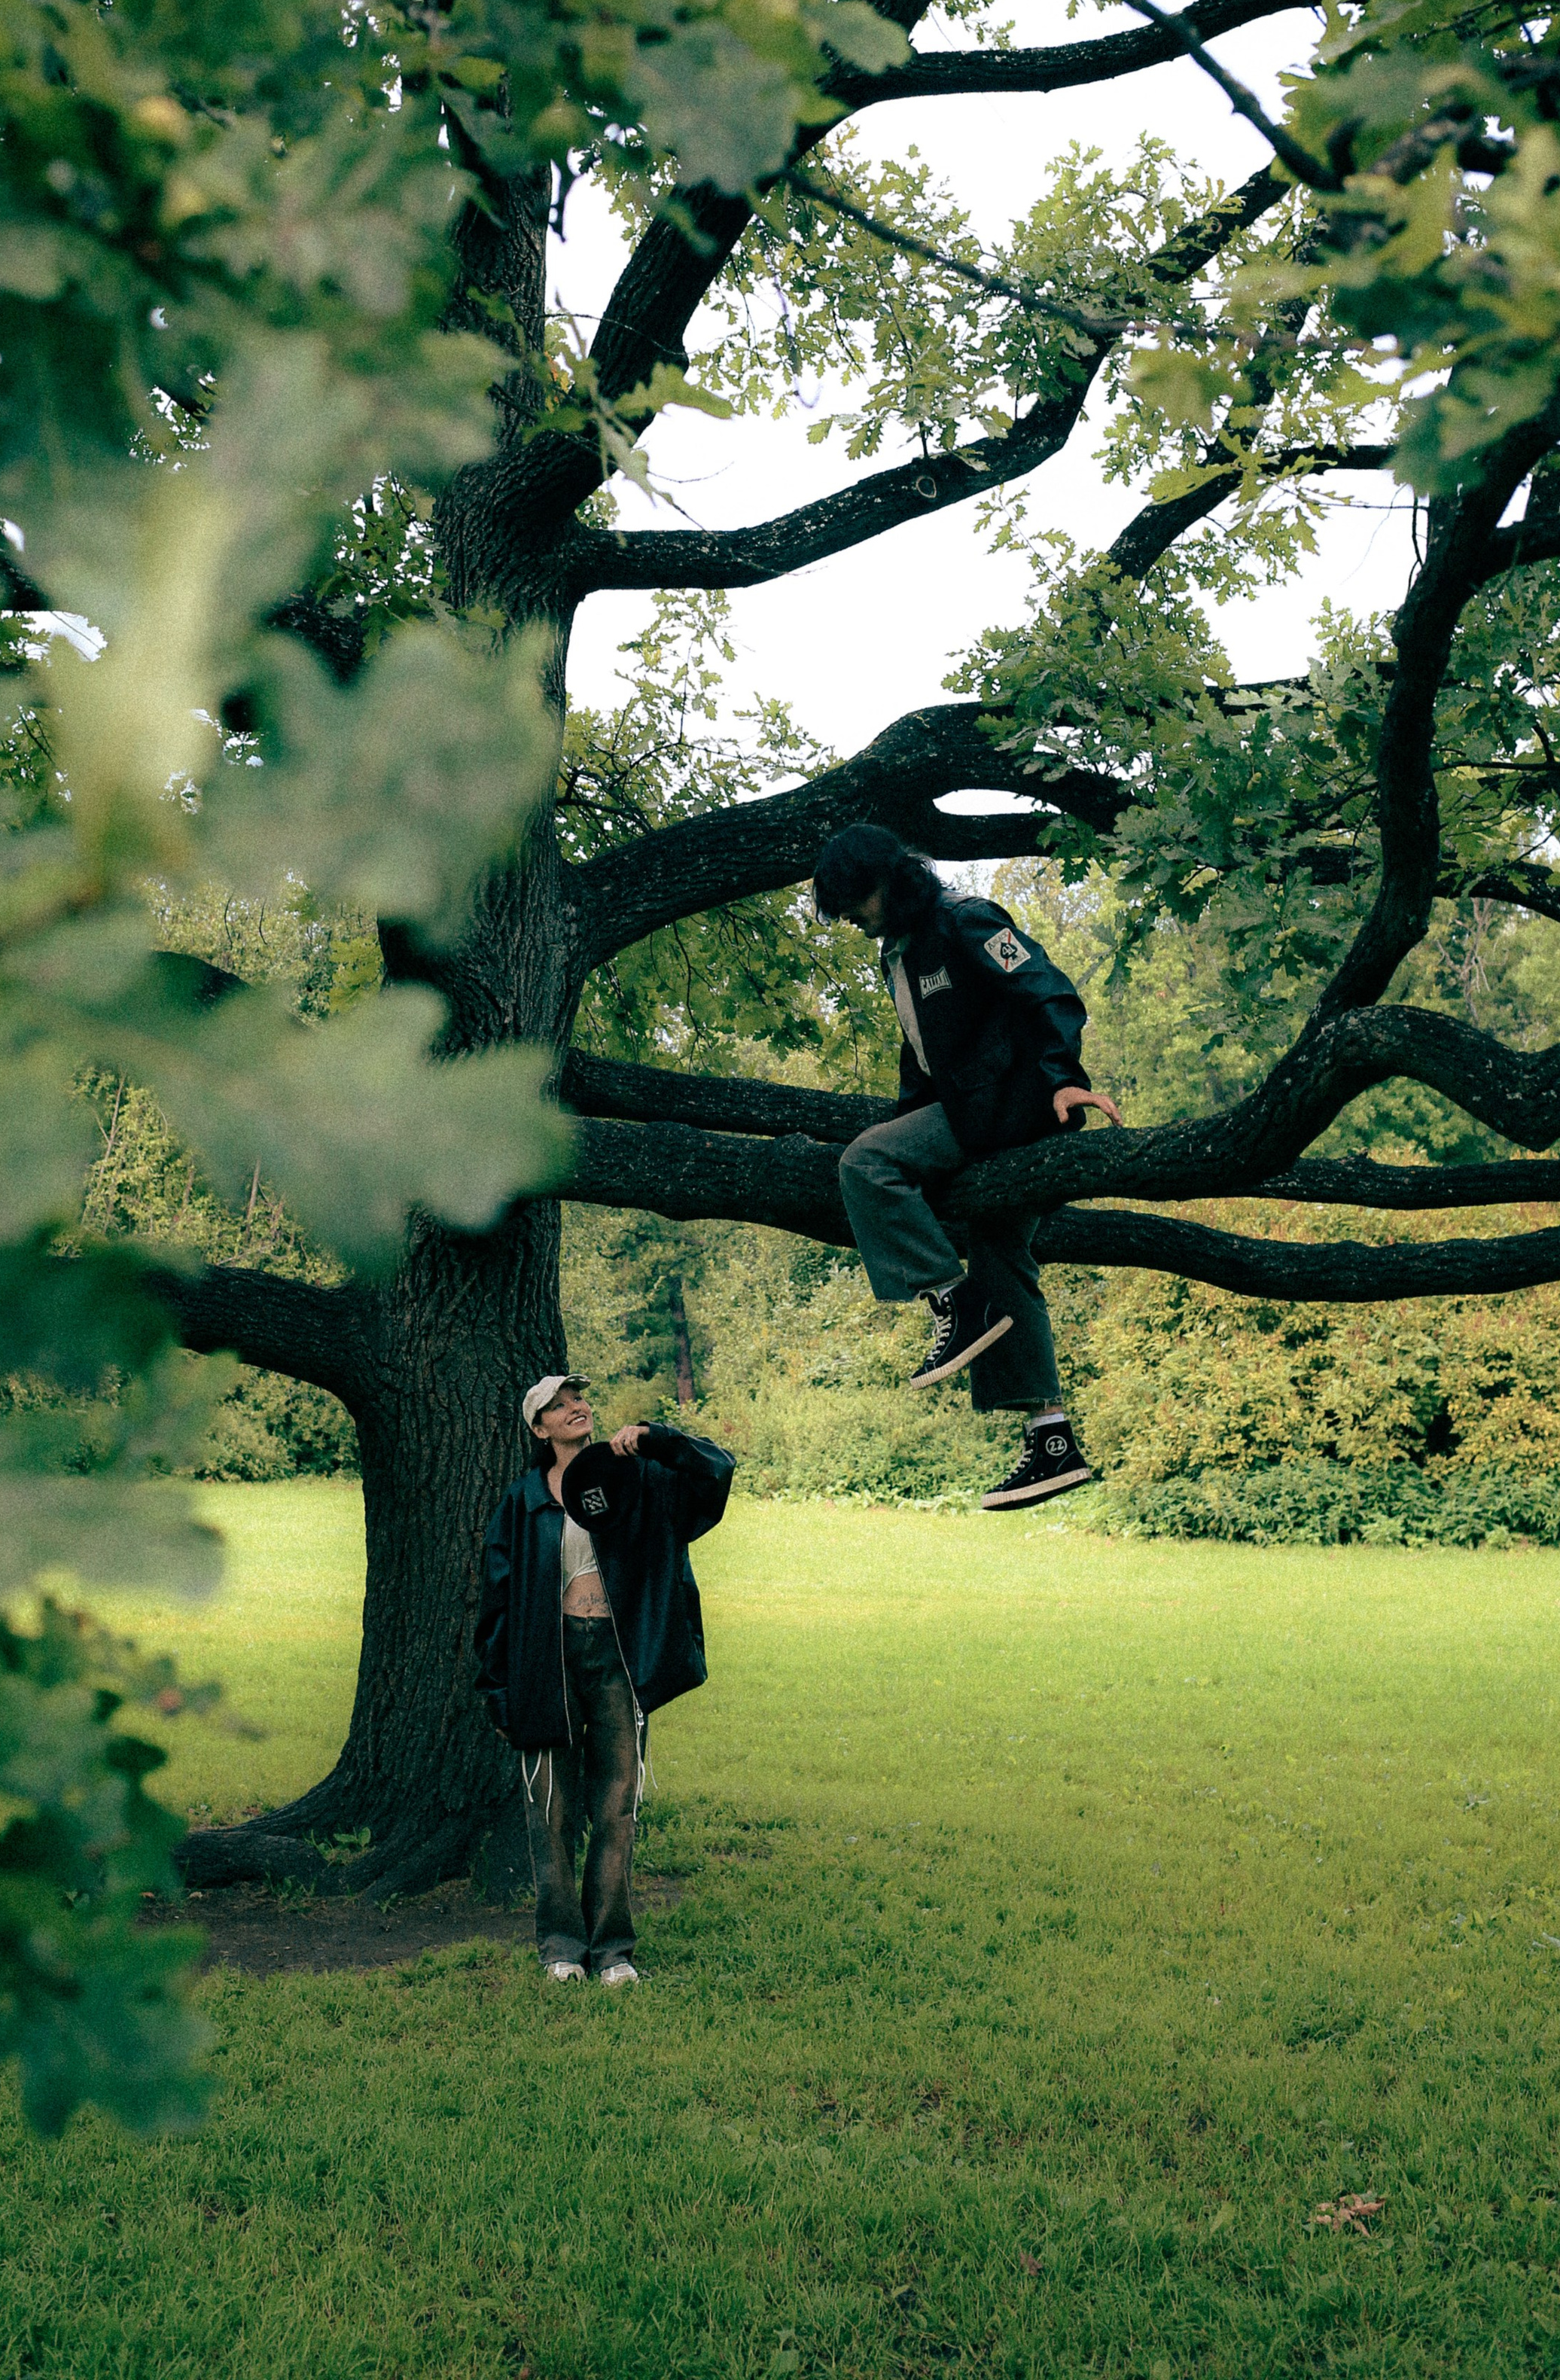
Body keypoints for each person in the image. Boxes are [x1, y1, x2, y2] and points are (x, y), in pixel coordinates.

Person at [812, 822, 1123, 1510]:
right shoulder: (899, 950)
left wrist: (1061, 1080)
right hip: (979, 1121)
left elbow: (1050, 992)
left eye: (857, 905)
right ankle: (1052, 1440)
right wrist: (910, 1117)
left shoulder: (968, 919)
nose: (855, 923)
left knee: (867, 1163)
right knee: (1002, 1256)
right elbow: (926, 1051)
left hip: (1015, 1110)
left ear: (889, 880)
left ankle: (954, 1301)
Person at [474, 1375, 735, 1984]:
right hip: (546, 1662)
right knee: (552, 1808)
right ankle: (562, 1948)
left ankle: (613, 1949)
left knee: (617, 1805)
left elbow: (716, 1474)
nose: (575, 1408)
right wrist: (499, 1689)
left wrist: (658, 1441)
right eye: (557, 1406)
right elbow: (497, 1601)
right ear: (538, 1429)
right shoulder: (523, 1501)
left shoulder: (635, 1479)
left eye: (578, 1400)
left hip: (618, 1658)